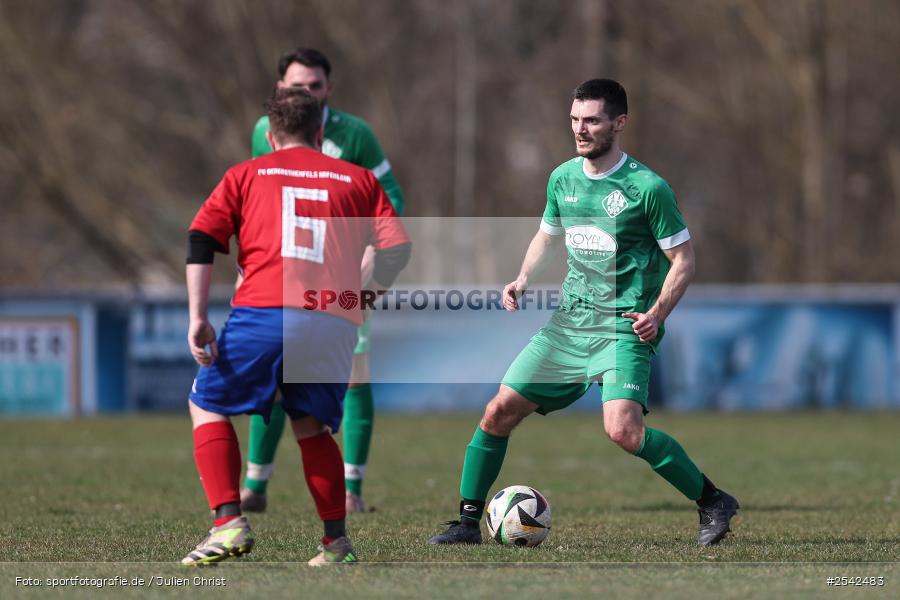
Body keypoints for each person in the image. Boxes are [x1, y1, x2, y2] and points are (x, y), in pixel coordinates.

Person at [426, 79, 738, 547]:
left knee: (623, 430)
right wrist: (523, 277)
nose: (580, 129)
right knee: (497, 412)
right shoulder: (562, 178)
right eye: (574, 119)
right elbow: (548, 236)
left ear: (619, 122)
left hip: (623, 328)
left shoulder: (648, 188)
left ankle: (713, 500)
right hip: (569, 324)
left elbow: (684, 261)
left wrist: (656, 313)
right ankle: (468, 523)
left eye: (591, 120)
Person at [181, 87, 410, 565]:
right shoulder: (358, 179)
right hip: (332, 320)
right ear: (320, 132)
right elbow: (396, 247)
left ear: (270, 135)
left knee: (205, 404)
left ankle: (228, 523)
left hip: (265, 311)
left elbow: (202, 238)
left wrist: (198, 318)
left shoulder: (245, 174)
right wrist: (363, 298)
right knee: (310, 426)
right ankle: (336, 544)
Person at [241, 48, 406, 515]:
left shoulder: (355, 135)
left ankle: (352, 489)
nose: (307, 93)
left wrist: (373, 250)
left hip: (342, 275)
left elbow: (391, 198)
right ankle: (255, 485)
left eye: (315, 86)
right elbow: (260, 199)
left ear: (329, 88)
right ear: (280, 88)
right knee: (274, 376)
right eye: (298, 86)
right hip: (284, 277)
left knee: (354, 375)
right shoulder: (264, 132)